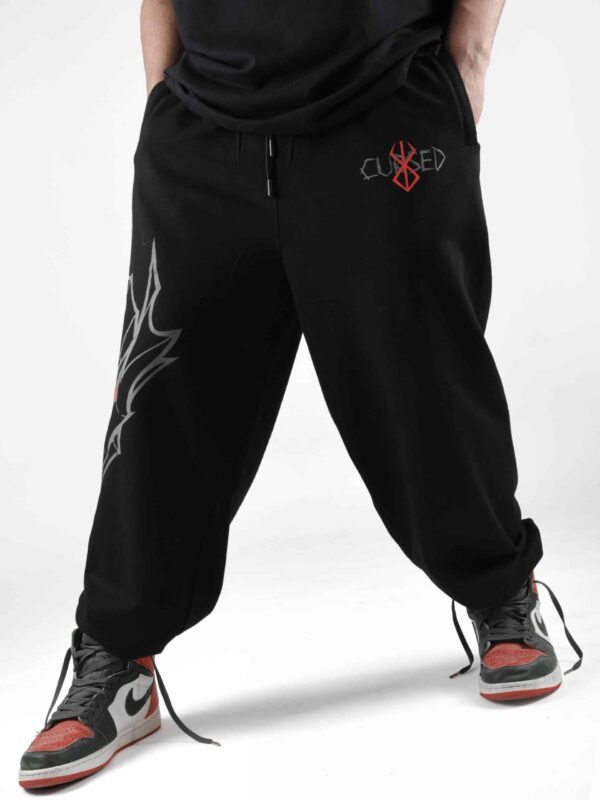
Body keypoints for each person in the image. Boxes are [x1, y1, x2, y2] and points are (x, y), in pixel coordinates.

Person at [18, 0, 583, 789]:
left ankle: (502, 592)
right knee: (160, 406)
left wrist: (468, 68)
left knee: (428, 382)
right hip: (203, 126)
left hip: (385, 110)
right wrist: (163, 109)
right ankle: (118, 659)